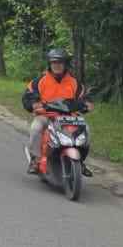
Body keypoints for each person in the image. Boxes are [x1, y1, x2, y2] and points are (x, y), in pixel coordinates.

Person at [24, 47, 92, 176]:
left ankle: (80, 161)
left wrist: (85, 105)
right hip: (46, 116)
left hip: (70, 117)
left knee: (86, 129)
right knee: (35, 127)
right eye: (54, 62)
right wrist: (35, 105)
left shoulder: (75, 83)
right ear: (49, 64)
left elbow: (86, 99)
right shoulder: (39, 81)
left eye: (60, 62)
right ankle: (35, 160)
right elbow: (28, 96)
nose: (57, 65)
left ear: (65, 64)